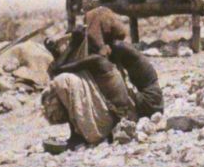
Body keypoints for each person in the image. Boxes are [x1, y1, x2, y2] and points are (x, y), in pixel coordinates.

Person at [41, 14, 162, 147]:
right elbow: (67, 66)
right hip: (134, 107)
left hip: (149, 101)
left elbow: (57, 70)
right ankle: (81, 133)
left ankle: (77, 136)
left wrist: (73, 44)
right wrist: (56, 53)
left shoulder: (100, 59)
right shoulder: (108, 55)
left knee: (65, 81)